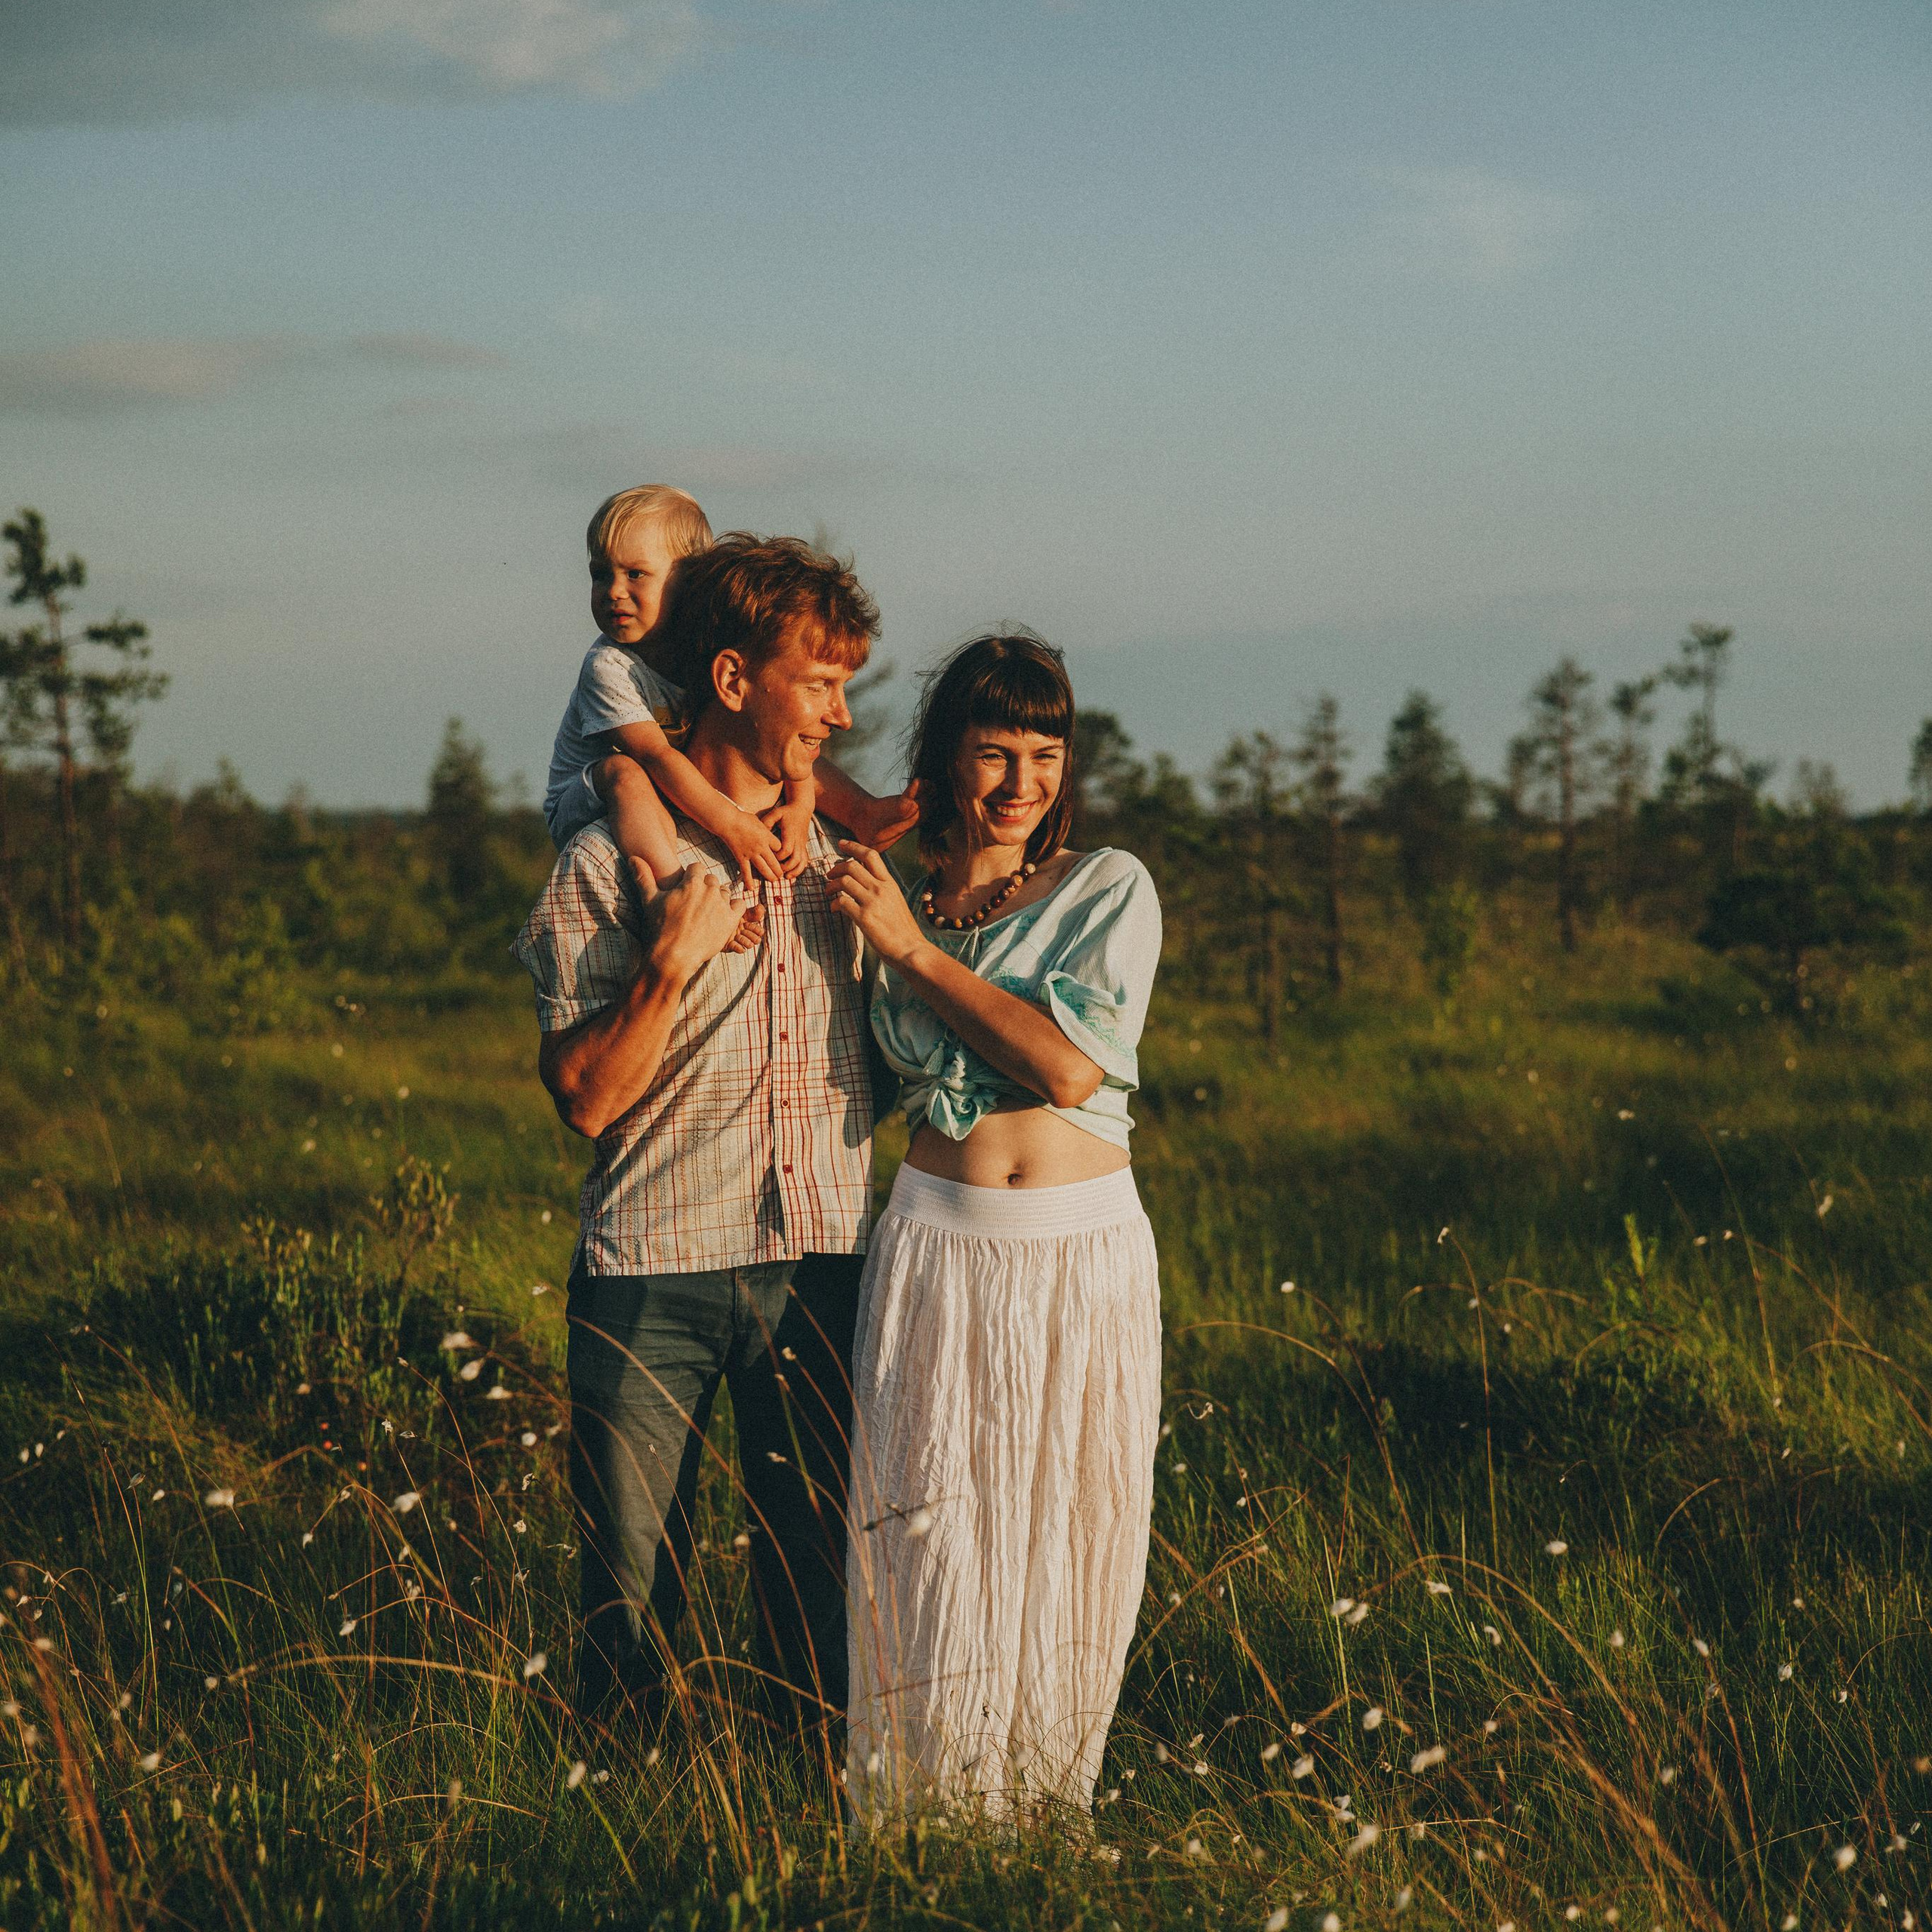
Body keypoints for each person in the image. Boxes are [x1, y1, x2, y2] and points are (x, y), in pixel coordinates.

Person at [514, 533, 895, 1732]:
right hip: (650, 1276)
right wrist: (668, 968)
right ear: (732, 681)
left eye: (848, 683)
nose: (839, 713)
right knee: (628, 1607)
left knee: (819, 1587)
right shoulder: (606, 860)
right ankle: (618, 1839)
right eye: (819, 680)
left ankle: (808, 1838)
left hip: (822, 1266)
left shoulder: (848, 869)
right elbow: (582, 1096)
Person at [826, 632, 1164, 1821]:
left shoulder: (1105, 886)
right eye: (992, 752)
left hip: (1079, 1255)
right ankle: (922, 1823)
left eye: (1044, 751)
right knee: (927, 1534)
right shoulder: (890, 900)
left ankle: (1040, 1818)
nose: (1021, 781)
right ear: (943, 758)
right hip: (933, 1246)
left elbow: (1069, 1070)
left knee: (1069, 1531)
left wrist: (914, 956)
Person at [543, 483, 918, 891]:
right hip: (588, 795)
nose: (614, 591)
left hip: (663, 785)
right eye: (601, 574)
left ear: (686, 579)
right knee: (626, 771)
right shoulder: (609, 667)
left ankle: (861, 811)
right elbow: (657, 759)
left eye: (635, 574)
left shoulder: (694, 650)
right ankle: (670, 893)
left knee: (787, 737)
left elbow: (783, 745)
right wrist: (733, 825)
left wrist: (800, 805)